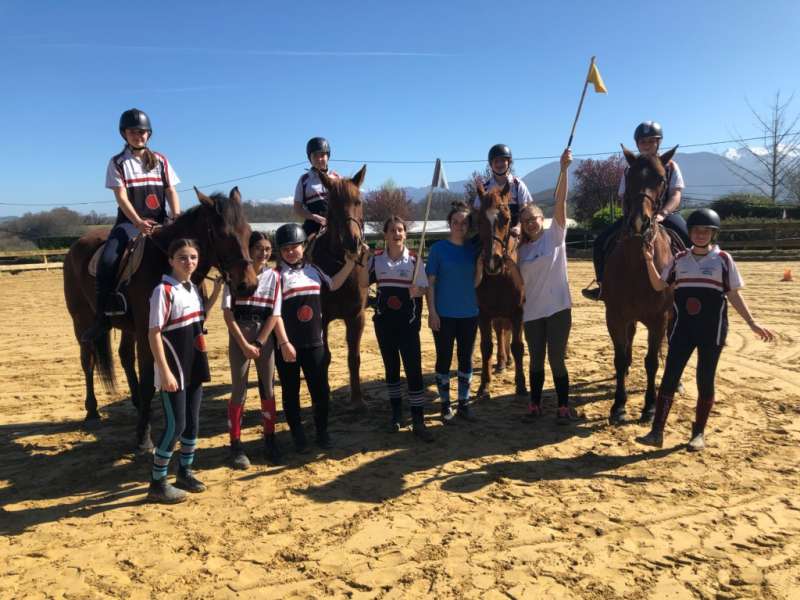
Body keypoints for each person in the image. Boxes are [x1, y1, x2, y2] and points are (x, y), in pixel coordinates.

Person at [637, 208, 774, 450]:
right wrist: (649, 261)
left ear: (713, 234)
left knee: (705, 379)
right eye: (696, 231)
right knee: (669, 378)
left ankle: (698, 433)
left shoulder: (723, 259)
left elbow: (733, 294)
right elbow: (659, 285)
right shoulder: (679, 259)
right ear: (690, 233)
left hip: (712, 330)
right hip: (682, 329)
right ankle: (656, 432)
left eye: (706, 231)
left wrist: (752, 323)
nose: (700, 235)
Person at [83, 108, 181, 342]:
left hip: (161, 224)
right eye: (133, 132)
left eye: (142, 132)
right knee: (107, 261)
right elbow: (121, 197)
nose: (138, 136)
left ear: (149, 134)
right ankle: (102, 317)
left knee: (188, 254)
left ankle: (194, 309)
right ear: (124, 134)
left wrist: (176, 215)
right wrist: (138, 221)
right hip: (129, 224)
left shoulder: (161, 160)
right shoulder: (117, 162)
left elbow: (170, 190)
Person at [272, 223, 363, 452]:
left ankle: (322, 432)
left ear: (303, 247)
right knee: (290, 392)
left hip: (314, 342)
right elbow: (274, 314)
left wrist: (350, 263)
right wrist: (284, 342)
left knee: (321, 391)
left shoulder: (314, 270)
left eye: (295, 247)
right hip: (288, 345)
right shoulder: (275, 276)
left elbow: (334, 284)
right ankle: (298, 436)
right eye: (285, 249)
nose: (290, 252)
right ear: (280, 251)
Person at [583, 121, 690, 301]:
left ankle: (690, 284)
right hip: (634, 215)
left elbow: (676, 194)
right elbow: (624, 196)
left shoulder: (671, 166)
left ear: (658, 143)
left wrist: (663, 213)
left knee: (688, 238)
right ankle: (602, 285)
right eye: (643, 142)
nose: (647, 145)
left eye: (651, 141)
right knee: (600, 242)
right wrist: (630, 216)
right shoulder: (629, 169)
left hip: (665, 215)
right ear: (637, 144)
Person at [147, 239, 212, 503]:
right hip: (174, 368)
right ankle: (157, 483)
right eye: (183, 257)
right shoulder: (163, 290)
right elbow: (154, 333)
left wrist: (217, 292)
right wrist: (164, 371)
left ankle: (185, 472)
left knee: (192, 423)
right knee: (176, 425)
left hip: (193, 363)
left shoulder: (192, 288)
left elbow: (198, 320)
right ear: (171, 260)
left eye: (193, 257)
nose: (189, 262)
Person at [359, 216, 433, 441]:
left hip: (408, 324)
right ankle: (396, 415)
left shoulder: (414, 260)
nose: (396, 234)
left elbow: (424, 288)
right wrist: (364, 260)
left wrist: (418, 290)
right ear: (385, 235)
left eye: (400, 230)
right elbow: (363, 283)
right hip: (384, 323)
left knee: (413, 370)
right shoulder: (377, 260)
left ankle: (418, 419)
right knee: (391, 369)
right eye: (392, 230)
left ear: (405, 234)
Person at [514, 148, 575, 422]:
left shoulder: (555, 236)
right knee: (536, 359)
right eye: (526, 221)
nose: (530, 223)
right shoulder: (521, 251)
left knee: (556, 359)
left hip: (558, 309)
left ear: (542, 219)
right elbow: (517, 281)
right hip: (532, 313)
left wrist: (563, 170)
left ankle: (563, 406)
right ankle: (535, 404)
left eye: (534, 219)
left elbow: (560, 201)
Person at [222, 232, 283, 469]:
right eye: (258, 248)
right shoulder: (233, 275)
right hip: (240, 332)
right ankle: (236, 444)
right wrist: (244, 344)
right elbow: (228, 314)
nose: (263, 253)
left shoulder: (274, 277)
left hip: (263, 334)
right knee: (239, 389)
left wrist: (258, 343)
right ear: (249, 250)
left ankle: (270, 439)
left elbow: (275, 313)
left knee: (267, 387)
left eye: (267, 249)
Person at [426, 202, 480, 422]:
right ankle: (445, 404)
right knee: (444, 359)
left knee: (466, 359)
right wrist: (432, 312)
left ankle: (464, 404)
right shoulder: (438, 249)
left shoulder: (473, 249)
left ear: (468, 226)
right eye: (455, 222)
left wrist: (481, 267)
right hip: (444, 315)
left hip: (469, 314)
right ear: (449, 224)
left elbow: (475, 283)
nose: (459, 226)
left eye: (464, 223)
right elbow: (430, 283)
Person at [472, 144, 533, 234]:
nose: (499, 164)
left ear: (509, 162)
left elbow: (524, 209)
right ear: (491, 164)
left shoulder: (518, 185)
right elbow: (477, 211)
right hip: (491, 234)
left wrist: (519, 226)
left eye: (503, 160)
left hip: (514, 233)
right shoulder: (485, 188)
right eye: (496, 161)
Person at [293, 137, 341, 238]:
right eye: (315, 155)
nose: (319, 159)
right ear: (310, 158)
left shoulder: (337, 178)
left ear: (328, 156)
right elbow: (297, 208)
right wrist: (314, 217)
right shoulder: (304, 180)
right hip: (313, 225)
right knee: (302, 244)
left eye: (322, 155)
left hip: (337, 224)